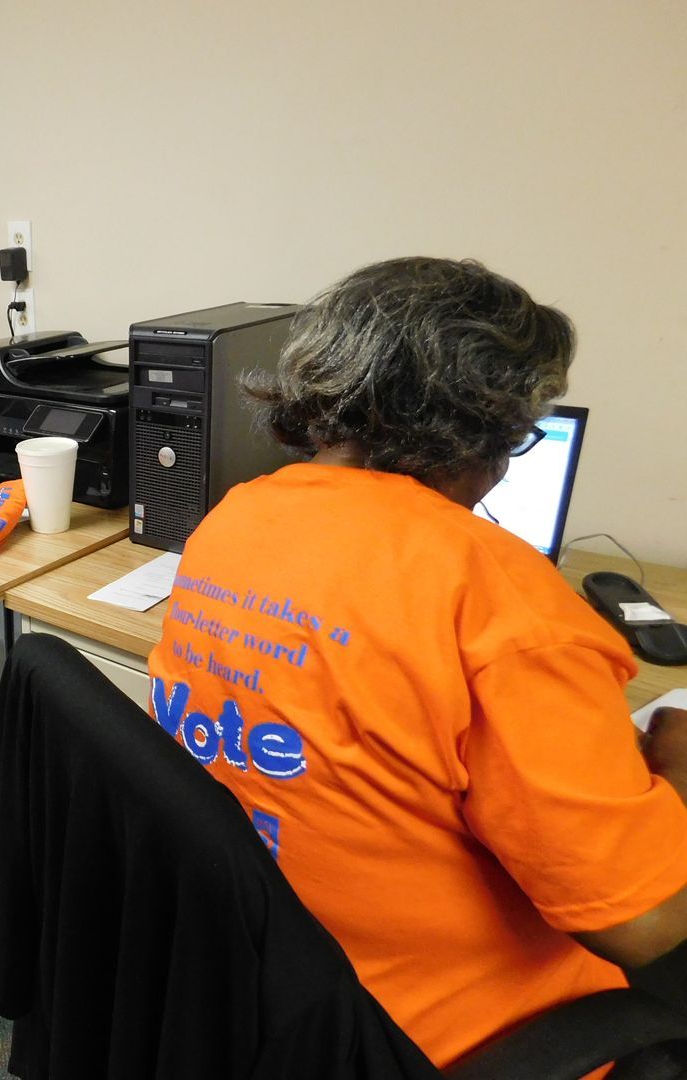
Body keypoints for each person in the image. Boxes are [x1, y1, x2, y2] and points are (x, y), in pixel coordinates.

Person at [145, 256, 687, 1070]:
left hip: (260, 975)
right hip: (428, 1034)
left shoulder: (236, 518)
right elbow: (645, 927)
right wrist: (675, 770)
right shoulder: (508, 604)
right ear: (495, 434)